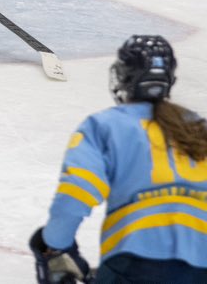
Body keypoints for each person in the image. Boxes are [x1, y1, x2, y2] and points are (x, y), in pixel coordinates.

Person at [29, 35, 207, 284]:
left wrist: (53, 246)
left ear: (124, 76)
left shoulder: (104, 126)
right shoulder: (199, 127)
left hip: (135, 262)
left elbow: (74, 196)